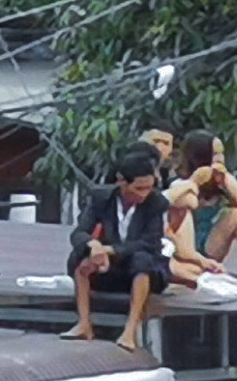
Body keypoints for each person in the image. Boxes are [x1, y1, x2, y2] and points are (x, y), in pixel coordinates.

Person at [67, 148, 173, 352]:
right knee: (81, 258)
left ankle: (129, 331)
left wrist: (110, 250)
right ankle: (84, 323)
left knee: (142, 261)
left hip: (143, 266)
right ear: (121, 181)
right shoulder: (101, 197)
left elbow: (150, 242)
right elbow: (79, 233)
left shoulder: (156, 203)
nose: (144, 194)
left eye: (148, 188)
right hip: (110, 266)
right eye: (139, 188)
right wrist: (93, 246)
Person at [169, 130, 237, 279]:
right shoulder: (179, 184)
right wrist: (196, 181)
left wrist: (226, 182)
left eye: (222, 154)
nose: (220, 159)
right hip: (185, 250)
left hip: (210, 245)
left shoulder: (223, 179)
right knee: (183, 208)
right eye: (215, 154)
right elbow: (186, 203)